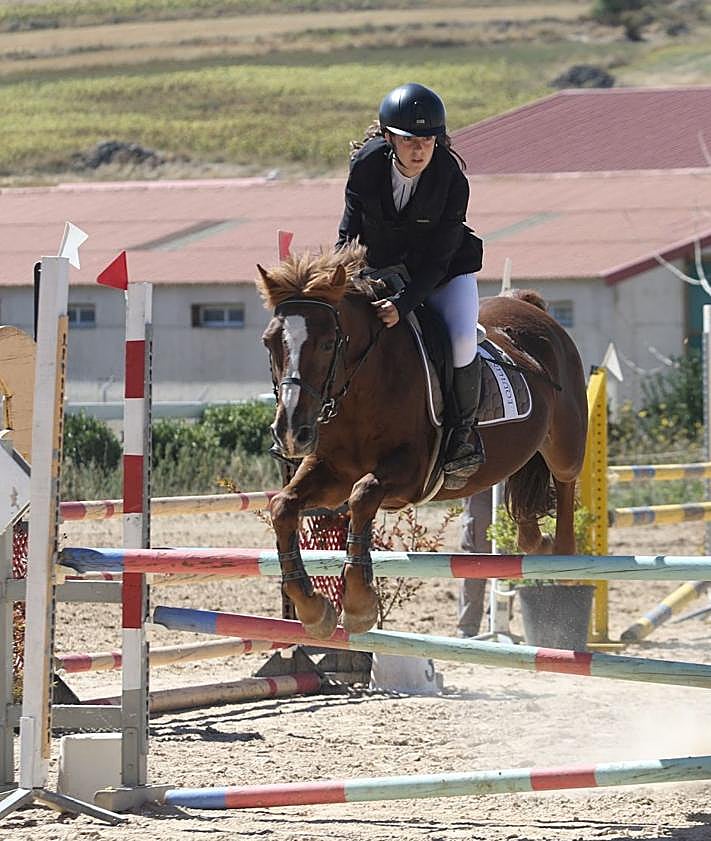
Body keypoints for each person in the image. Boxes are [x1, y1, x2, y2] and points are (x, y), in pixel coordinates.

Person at [337, 82, 485, 489]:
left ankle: (460, 436)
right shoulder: (366, 167)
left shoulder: (451, 179)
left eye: (427, 140)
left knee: (460, 340)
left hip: (443, 273)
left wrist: (403, 305)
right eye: (408, 141)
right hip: (380, 271)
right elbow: (349, 235)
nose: (419, 150)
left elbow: (438, 259)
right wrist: (343, 283)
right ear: (388, 138)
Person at [457, 489, 491, 637]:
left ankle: (500, 625)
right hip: (482, 483)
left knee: (508, 554)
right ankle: (467, 628)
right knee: (475, 561)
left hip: (511, 483)